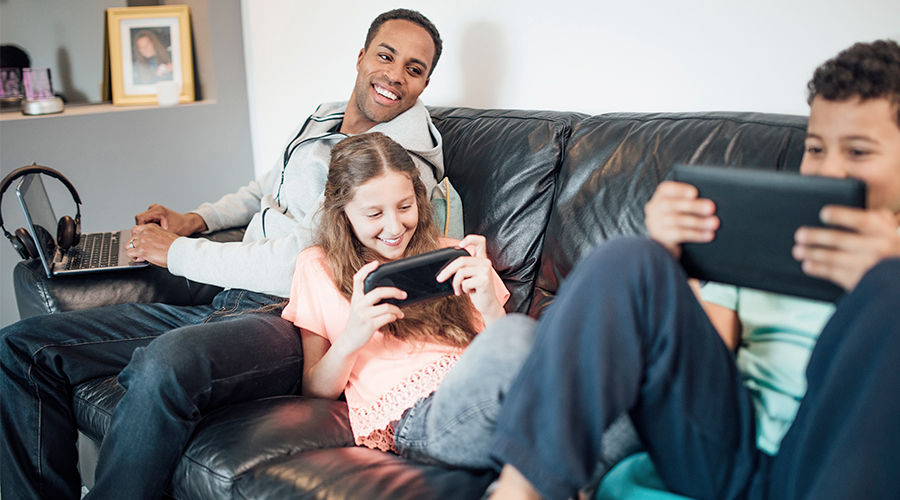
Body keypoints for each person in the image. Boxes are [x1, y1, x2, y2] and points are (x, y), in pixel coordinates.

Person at [0, 8, 460, 500]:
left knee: (164, 364)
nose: (394, 74)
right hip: (233, 288)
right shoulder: (326, 115)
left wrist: (177, 252)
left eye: (414, 69)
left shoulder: (394, 165)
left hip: (287, 313)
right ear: (361, 56)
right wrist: (195, 220)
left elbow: (305, 259)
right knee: (20, 347)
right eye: (386, 55)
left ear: (424, 84)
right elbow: (269, 184)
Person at [488, 39, 900, 500]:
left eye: (859, 152)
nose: (828, 172)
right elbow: (706, 359)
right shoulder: (767, 236)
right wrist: (670, 258)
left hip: (834, 467)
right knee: (631, 257)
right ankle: (519, 491)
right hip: (728, 454)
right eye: (817, 148)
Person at [281, 131, 536, 468]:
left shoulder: (451, 256)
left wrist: (490, 306)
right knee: (557, 415)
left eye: (405, 206)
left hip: (482, 385)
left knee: (524, 337)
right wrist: (351, 338)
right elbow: (314, 389)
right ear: (343, 213)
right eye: (374, 214)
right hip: (420, 415)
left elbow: (506, 358)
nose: (394, 226)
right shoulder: (317, 267)